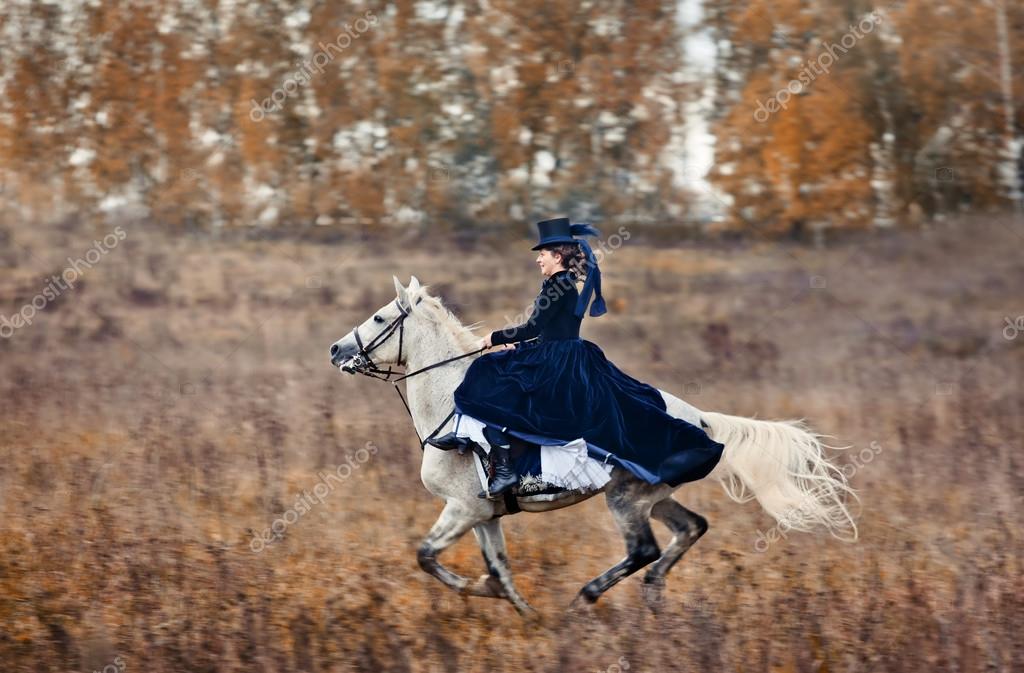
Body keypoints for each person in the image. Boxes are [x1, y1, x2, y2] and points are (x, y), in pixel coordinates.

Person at [428, 217, 725, 499]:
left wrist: (493, 338)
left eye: (542, 253)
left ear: (557, 256)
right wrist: (517, 348)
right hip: (557, 352)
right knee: (493, 369)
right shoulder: (561, 283)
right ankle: (473, 441)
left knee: (486, 372)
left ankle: (503, 468)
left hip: (558, 362)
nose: (537, 258)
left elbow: (533, 327)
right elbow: (547, 331)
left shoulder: (559, 285)